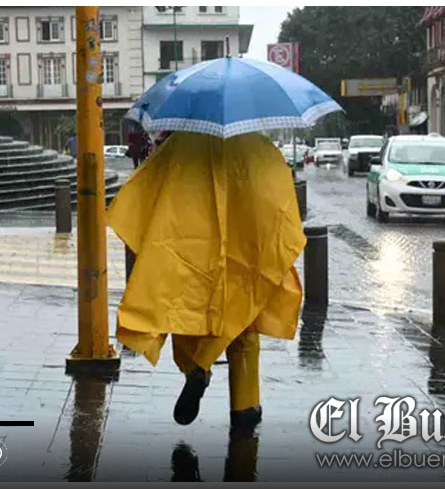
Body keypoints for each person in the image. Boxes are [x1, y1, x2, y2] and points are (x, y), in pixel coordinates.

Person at [107, 131, 305, 429]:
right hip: (245, 254)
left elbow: (145, 189)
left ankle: (196, 369)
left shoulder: (180, 145)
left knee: (188, 318)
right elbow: (279, 204)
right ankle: (244, 405)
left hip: (192, 252)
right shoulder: (259, 147)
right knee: (243, 323)